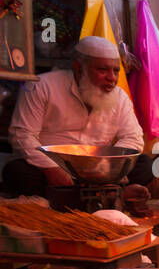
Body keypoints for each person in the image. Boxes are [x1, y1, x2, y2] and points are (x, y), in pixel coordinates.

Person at [4, 35, 149, 204]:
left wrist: (110, 168)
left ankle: (86, 195)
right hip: (56, 166)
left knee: (144, 164)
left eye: (115, 70)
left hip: (101, 169)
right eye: (103, 70)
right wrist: (51, 169)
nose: (112, 78)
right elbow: (22, 134)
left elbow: (133, 137)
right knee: (17, 172)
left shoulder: (120, 96)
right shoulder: (41, 86)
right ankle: (110, 195)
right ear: (79, 68)